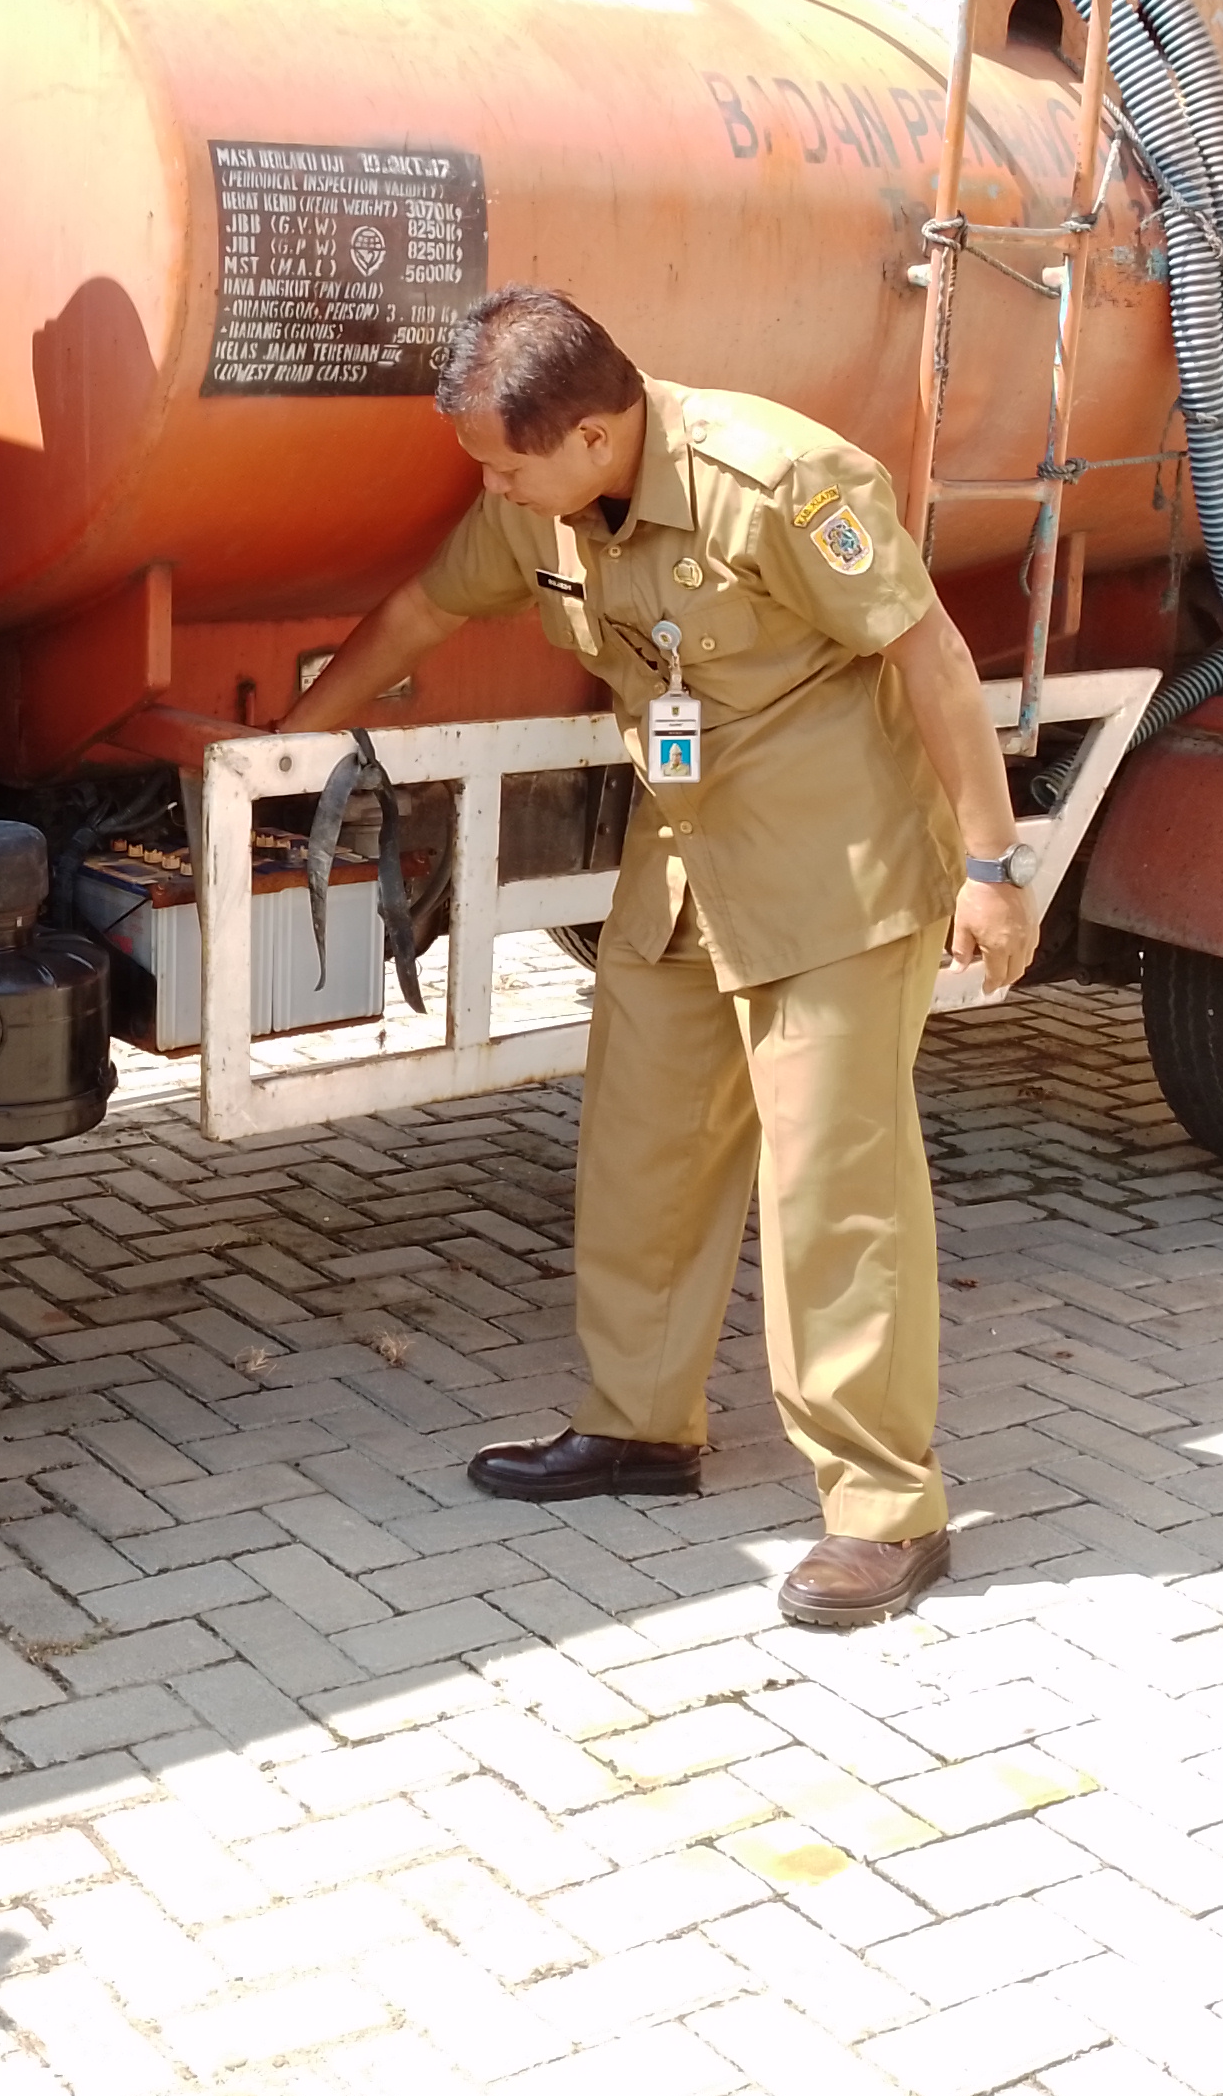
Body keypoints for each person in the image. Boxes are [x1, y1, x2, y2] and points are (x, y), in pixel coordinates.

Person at [276, 286, 1034, 1628]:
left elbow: (931, 653)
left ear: (595, 431)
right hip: (681, 872)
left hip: (833, 878)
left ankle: (882, 1507)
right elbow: (415, 617)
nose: (494, 489)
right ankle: (642, 1428)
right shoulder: (543, 510)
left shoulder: (778, 482)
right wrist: (281, 753)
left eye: (509, 462)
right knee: (640, 1156)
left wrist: (990, 868)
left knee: (833, 1196)